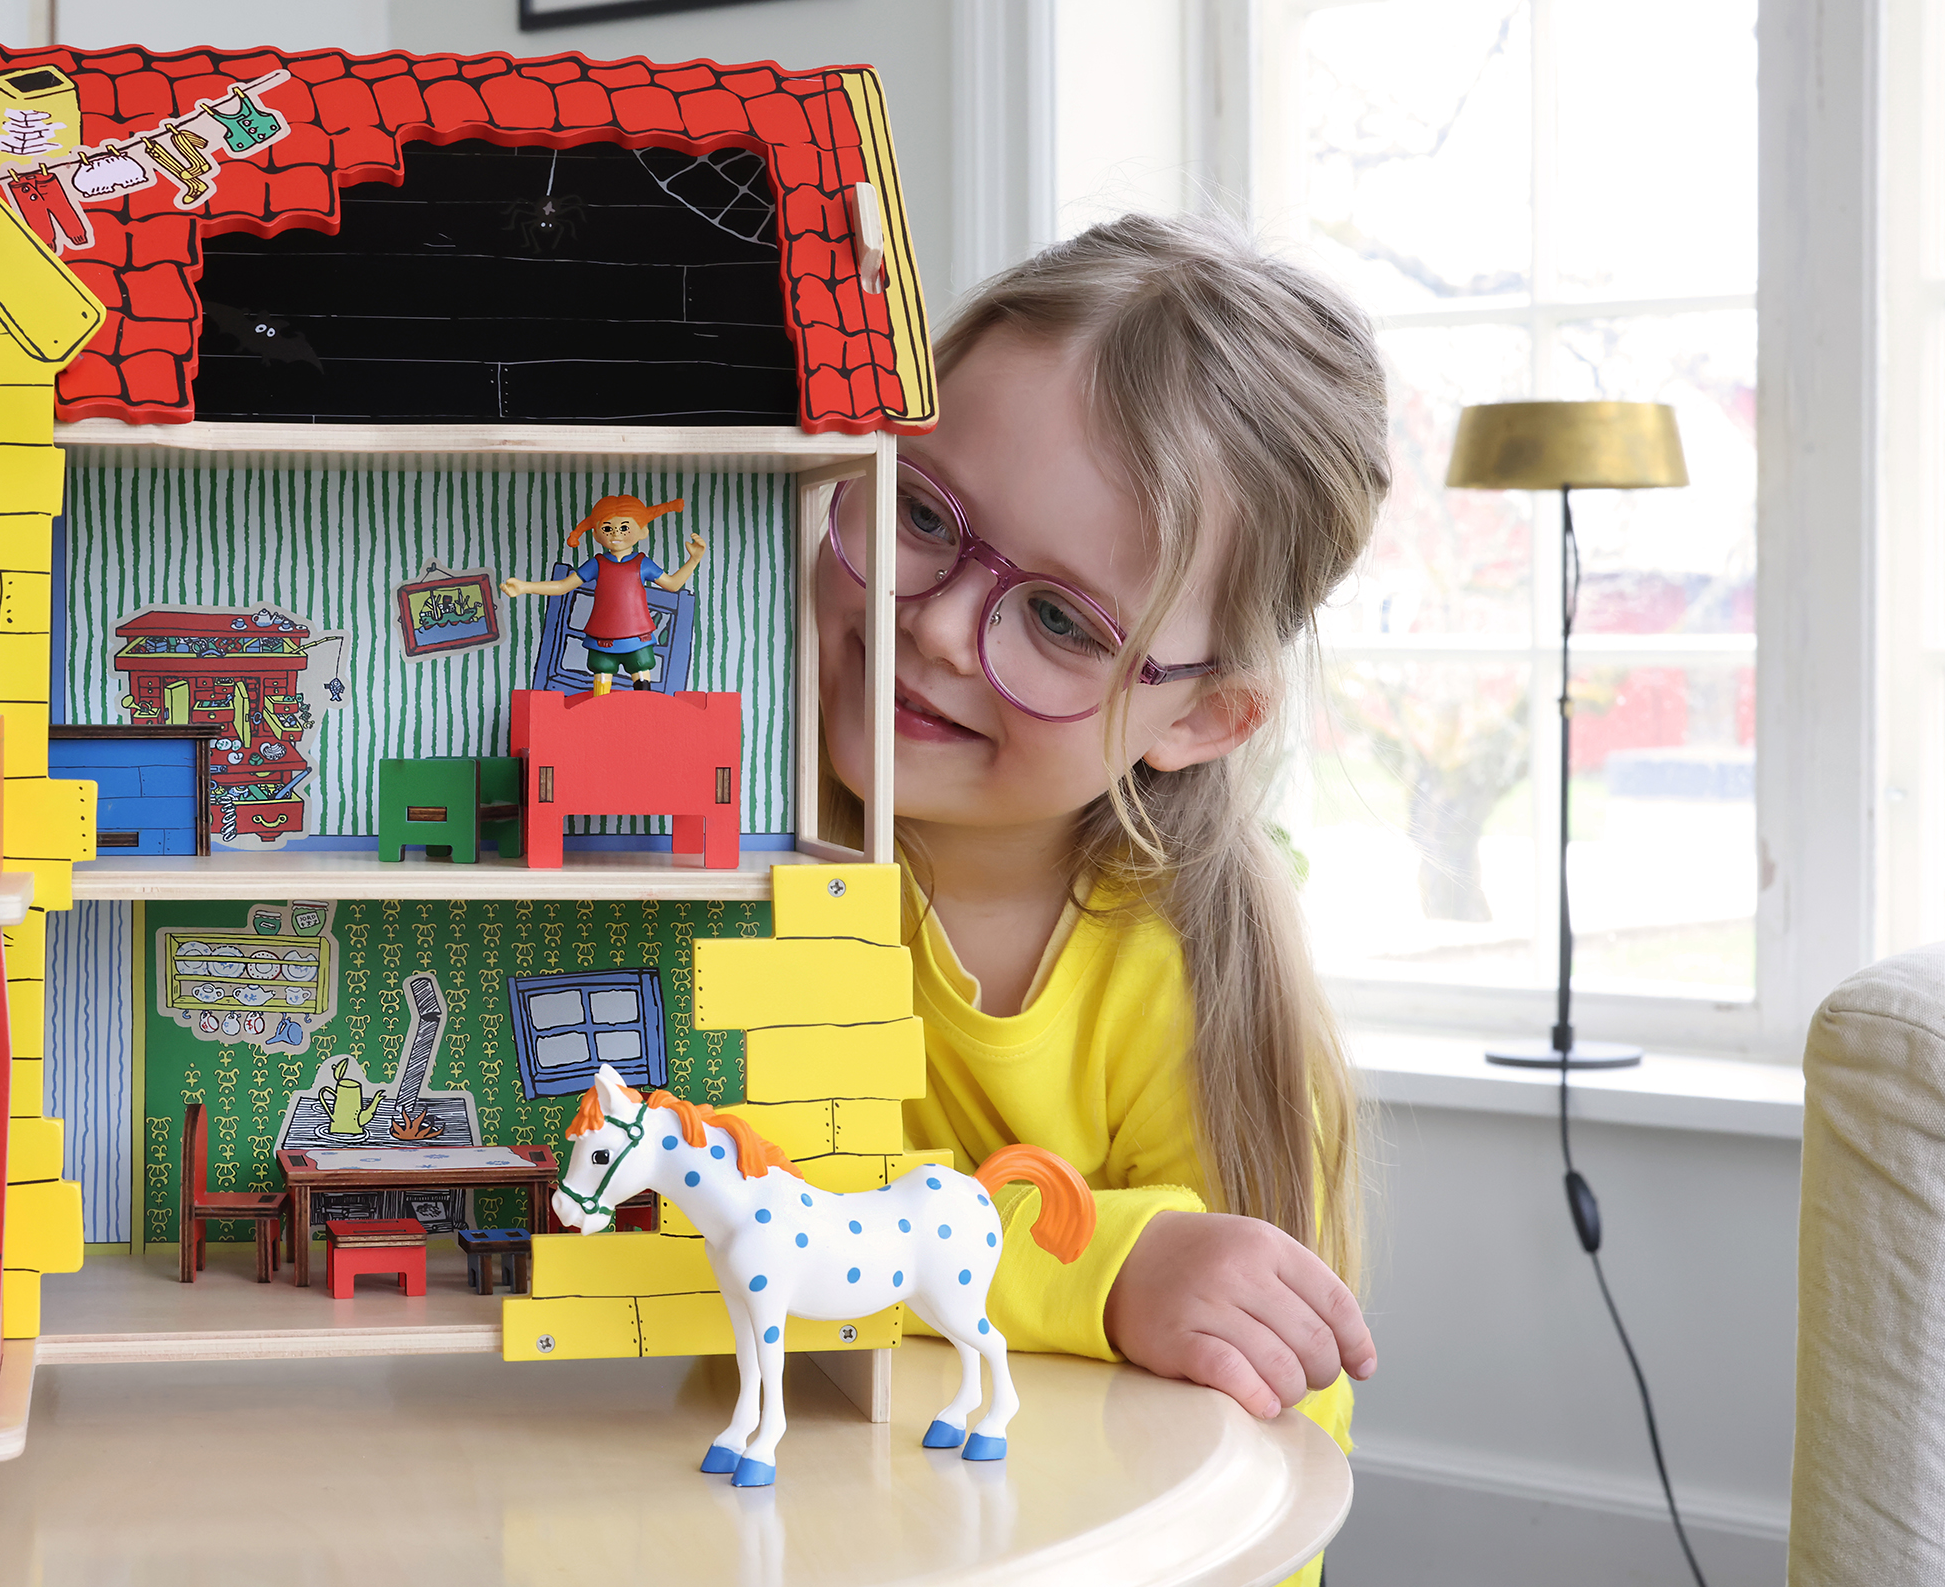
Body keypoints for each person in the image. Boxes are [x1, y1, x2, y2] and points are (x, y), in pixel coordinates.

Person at [814, 215, 1389, 1573]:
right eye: (919, 513)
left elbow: (1251, 1482)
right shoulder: (701, 853)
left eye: (1063, 620)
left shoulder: (1201, 995)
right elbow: (719, 1193)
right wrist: (1102, 1268)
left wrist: (1133, 1279)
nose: (935, 627)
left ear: (1201, 717)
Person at [503, 495, 709, 695]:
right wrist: (524, 587)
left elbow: (673, 584)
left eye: (624, 528)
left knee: (642, 675)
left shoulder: (642, 563)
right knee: (601, 679)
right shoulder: (597, 564)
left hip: (637, 636)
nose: (616, 534)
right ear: (596, 534)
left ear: (643, 532)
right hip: (602, 637)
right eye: (608, 528)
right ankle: (599, 711)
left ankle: (645, 709)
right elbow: (563, 586)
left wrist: (694, 559)